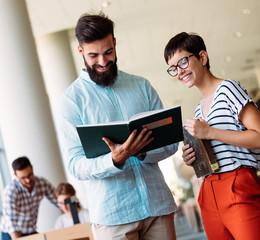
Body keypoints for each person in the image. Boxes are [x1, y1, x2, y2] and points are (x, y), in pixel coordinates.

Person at [55, 12, 179, 240]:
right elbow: (75, 164)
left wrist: (141, 151)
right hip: (112, 217)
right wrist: (115, 160)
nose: (102, 62)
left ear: (114, 43)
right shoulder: (71, 101)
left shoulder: (142, 86)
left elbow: (171, 144)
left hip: (157, 207)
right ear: (80, 51)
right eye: (93, 55)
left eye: (108, 52)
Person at [164, 32, 260, 240]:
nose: (179, 71)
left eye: (183, 61)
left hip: (238, 184)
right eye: (173, 68)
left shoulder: (229, 89)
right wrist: (193, 158)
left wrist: (210, 132)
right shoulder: (199, 109)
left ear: (202, 58)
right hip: (209, 192)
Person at [0, 156, 59, 240]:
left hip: (30, 231)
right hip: (11, 234)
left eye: (30, 175)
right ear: (15, 174)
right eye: (23, 178)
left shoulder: (42, 183)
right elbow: (12, 222)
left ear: (32, 168)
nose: (28, 180)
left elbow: (59, 201)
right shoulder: (11, 191)